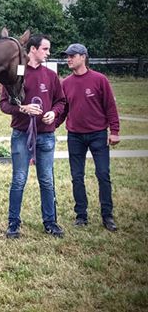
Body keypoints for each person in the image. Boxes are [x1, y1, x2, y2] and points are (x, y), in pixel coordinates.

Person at [0, 34, 66, 238]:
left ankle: (50, 222)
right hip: (22, 135)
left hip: (46, 136)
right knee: (19, 179)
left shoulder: (51, 75)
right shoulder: (16, 74)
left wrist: (53, 113)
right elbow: (4, 104)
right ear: (33, 49)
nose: (48, 53)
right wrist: (23, 108)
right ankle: (13, 223)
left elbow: (61, 102)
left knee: (46, 180)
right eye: (45, 49)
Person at [57, 43, 120, 232]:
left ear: (83, 57)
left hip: (98, 134)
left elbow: (110, 107)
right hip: (75, 136)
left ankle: (107, 216)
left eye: (72, 56)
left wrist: (115, 131)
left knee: (103, 174)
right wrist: (50, 126)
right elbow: (64, 110)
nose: (68, 59)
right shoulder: (66, 83)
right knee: (77, 177)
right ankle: (81, 215)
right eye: (67, 56)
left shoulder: (100, 80)